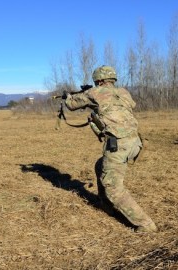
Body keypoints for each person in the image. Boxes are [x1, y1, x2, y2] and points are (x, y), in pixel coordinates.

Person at [64, 65, 157, 232]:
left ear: (98, 80)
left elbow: (71, 104)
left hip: (118, 144)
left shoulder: (93, 93)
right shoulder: (123, 92)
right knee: (100, 165)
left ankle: (145, 224)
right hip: (135, 143)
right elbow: (119, 105)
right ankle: (106, 206)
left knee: (113, 187)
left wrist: (69, 96)